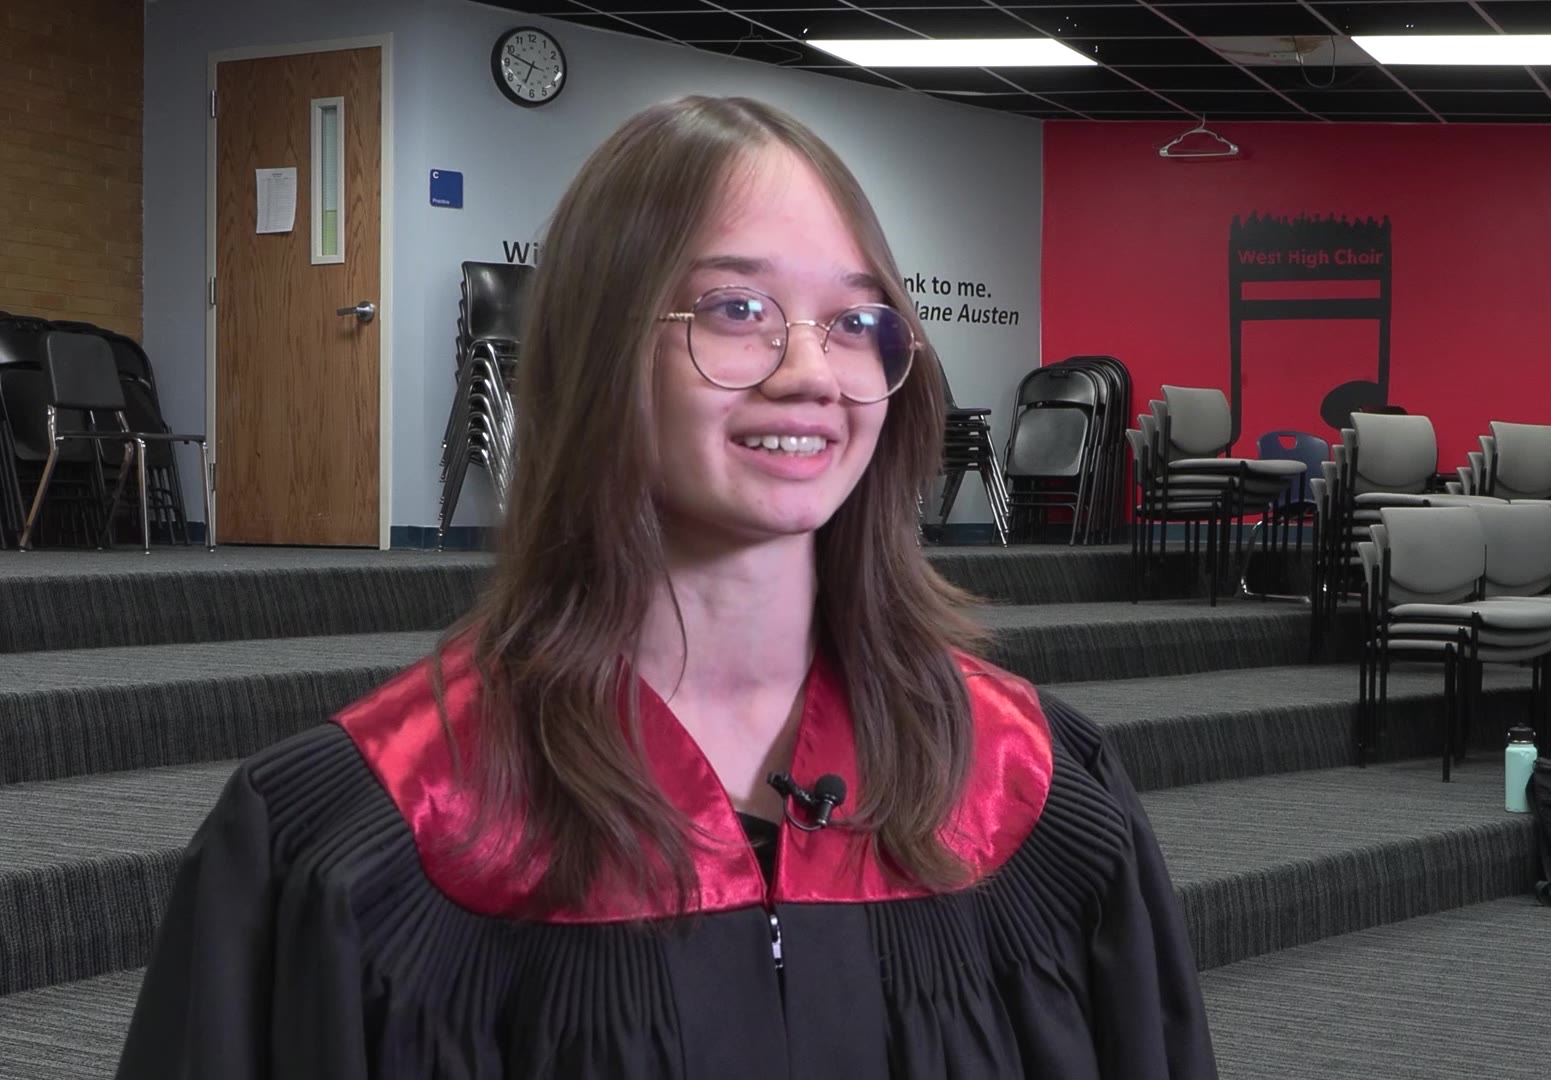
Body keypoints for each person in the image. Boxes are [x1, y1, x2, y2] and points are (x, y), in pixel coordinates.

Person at [115, 95, 1216, 1078]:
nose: (810, 371)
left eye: (854, 321)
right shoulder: (372, 837)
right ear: (599, 355)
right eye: (735, 310)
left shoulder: (1033, 789)